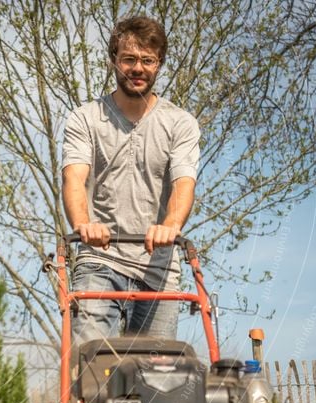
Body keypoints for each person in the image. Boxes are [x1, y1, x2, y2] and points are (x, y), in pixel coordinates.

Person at [61, 15, 200, 344]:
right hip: (100, 260)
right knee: (93, 367)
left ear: (159, 64)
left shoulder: (180, 123)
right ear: (114, 60)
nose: (138, 68)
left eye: (147, 60)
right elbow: (74, 180)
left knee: (159, 380)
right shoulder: (86, 119)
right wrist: (84, 225)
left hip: (159, 269)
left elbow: (183, 183)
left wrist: (170, 226)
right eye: (129, 59)